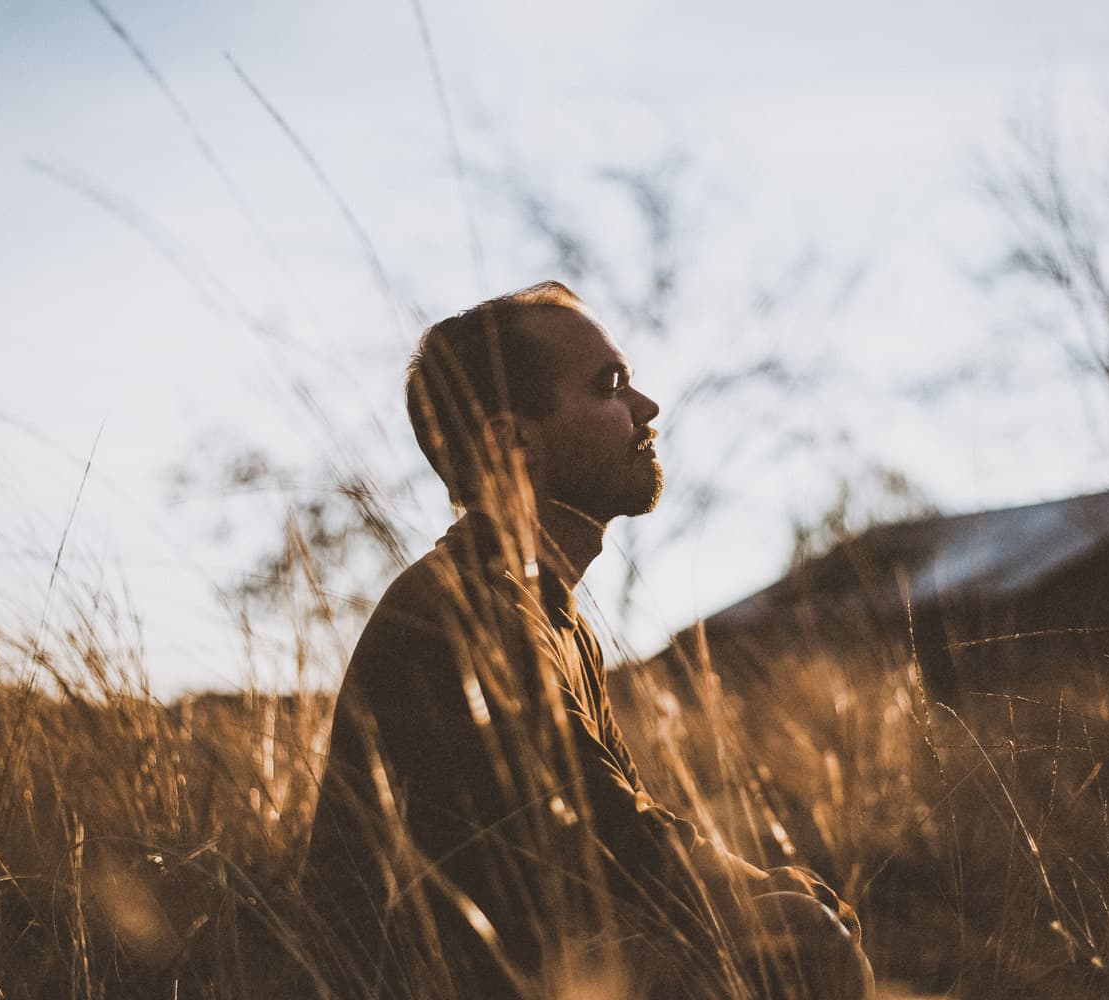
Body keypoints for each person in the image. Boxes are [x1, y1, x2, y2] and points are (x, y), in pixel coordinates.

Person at [301, 281, 873, 998]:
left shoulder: (550, 611)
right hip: (425, 984)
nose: (646, 408)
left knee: (792, 915)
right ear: (513, 441)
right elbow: (607, 839)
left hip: (516, 967)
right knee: (799, 941)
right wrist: (757, 893)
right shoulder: (467, 612)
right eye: (611, 386)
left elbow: (617, 829)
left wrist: (761, 885)